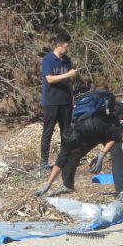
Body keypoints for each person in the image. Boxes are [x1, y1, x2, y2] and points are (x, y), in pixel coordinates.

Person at [36, 100, 123, 202]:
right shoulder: (68, 140)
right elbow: (59, 163)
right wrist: (47, 185)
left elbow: (115, 137)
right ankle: (67, 185)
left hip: (106, 132)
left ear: (80, 143)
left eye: (75, 149)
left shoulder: (96, 124)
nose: (73, 151)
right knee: (70, 157)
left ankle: (122, 190)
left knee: (116, 154)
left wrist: (101, 155)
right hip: (88, 137)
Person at [39, 33, 80, 169]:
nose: (68, 48)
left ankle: (66, 157)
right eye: (67, 45)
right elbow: (49, 79)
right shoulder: (48, 59)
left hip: (66, 102)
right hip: (51, 101)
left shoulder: (67, 60)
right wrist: (68, 74)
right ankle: (44, 161)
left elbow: (69, 82)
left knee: (66, 132)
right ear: (59, 45)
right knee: (48, 131)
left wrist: (72, 98)